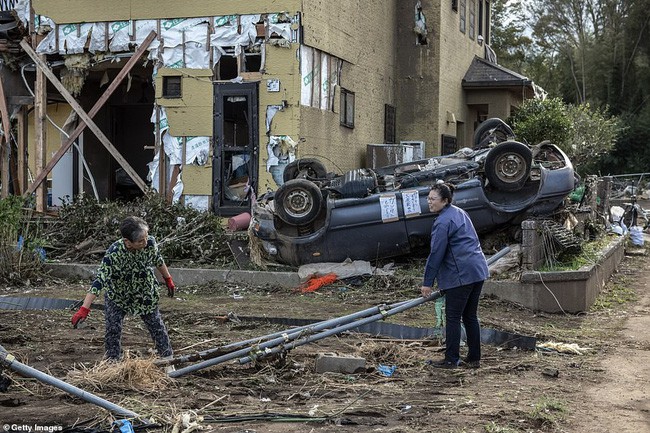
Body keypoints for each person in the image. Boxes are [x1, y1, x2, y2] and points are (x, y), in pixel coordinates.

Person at [71, 216, 176, 361]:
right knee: (113, 329)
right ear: (128, 242)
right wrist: (84, 308)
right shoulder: (114, 253)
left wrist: (168, 279)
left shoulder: (150, 243)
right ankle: (113, 362)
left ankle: (167, 359)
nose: (145, 242)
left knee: (156, 326)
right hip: (119, 296)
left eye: (146, 237)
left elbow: (158, 260)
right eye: (140, 241)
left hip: (144, 294)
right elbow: (100, 280)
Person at [420, 183, 489, 369]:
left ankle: (451, 359)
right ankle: (474, 358)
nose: (429, 202)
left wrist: (427, 282)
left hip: (462, 274)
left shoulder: (443, 221)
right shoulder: (459, 212)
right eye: (428, 198)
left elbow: (436, 253)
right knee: (470, 316)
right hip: (477, 270)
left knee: (453, 317)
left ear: (445, 200)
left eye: (433, 199)